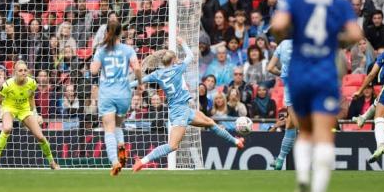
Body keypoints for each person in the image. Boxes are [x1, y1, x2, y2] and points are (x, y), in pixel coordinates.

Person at [272, 0, 362, 192]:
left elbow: (278, 26)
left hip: (299, 73)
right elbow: (356, 33)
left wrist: (294, 34)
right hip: (325, 73)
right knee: (323, 134)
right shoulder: (340, 3)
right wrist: (334, 41)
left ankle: (301, 178)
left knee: (305, 131)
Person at [131, 37, 245, 172]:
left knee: (210, 123)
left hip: (183, 109)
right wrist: (183, 43)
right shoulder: (178, 68)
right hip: (180, 112)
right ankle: (142, 161)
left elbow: (138, 82)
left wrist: (126, 86)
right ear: (173, 60)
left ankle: (236, 141)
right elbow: (190, 55)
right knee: (172, 146)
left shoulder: (157, 74)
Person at [90, 20, 143, 176]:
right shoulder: (128, 49)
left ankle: (115, 162)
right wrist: (140, 84)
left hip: (107, 94)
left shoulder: (102, 50)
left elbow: (93, 71)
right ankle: (121, 148)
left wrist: (96, 59)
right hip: (124, 94)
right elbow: (137, 68)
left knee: (109, 129)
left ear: (107, 33)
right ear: (122, 33)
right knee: (118, 126)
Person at [0, 60, 59, 169]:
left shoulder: (32, 83)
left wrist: (35, 114)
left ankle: (52, 162)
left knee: (40, 136)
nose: (23, 72)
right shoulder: (7, 85)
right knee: (7, 128)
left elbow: (30, 96)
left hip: (24, 109)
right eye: (20, 70)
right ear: (15, 72)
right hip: (9, 108)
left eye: (25, 70)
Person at [266, 39, 298, 170]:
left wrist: (282, 74)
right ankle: (280, 159)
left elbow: (270, 68)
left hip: (290, 85)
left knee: (295, 122)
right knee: (291, 122)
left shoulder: (283, 44)